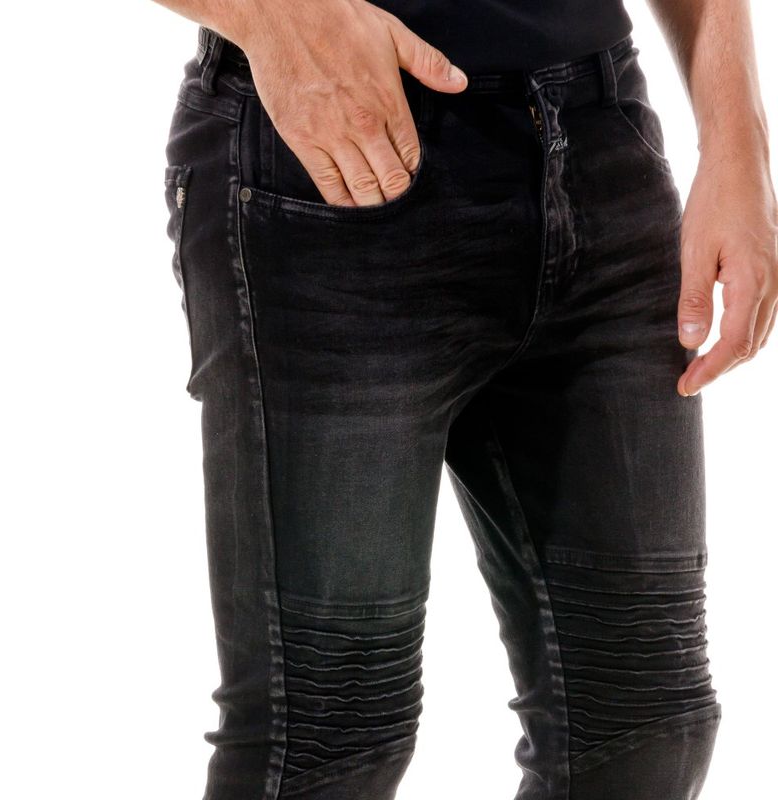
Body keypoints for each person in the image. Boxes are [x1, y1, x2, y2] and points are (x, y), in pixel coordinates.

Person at [154, 1, 777, 798]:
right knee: (328, 747)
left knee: (644, 731)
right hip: (332, 157)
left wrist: (738, 144)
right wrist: (277, 18)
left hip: (597, 141)